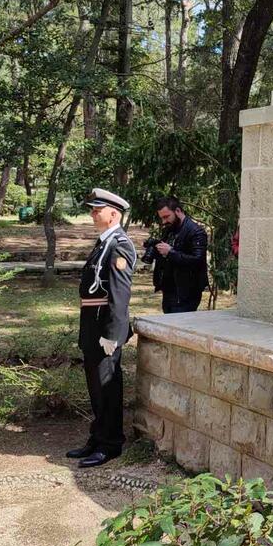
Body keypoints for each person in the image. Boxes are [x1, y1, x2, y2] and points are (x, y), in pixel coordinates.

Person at [67, 187, 137, 468]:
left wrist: (112, 336)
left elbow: (119, 295)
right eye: (93, 210)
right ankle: (97, 437)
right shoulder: (103, 242)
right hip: (92, 326)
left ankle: (110, 444)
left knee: (107, 388)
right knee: (96, 387)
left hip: (105, 329)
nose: (93, 214)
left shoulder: (119, 245)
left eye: (98, 210)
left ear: (114, 214)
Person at [142, 196, 209, 313]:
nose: (164, 222)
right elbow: (167, 256)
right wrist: (156, 249)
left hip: (186, 292)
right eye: (162, 218)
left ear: (178, 211)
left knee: (179, 322)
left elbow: (197, 260)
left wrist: (170, 252)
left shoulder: (196, 231)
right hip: (169, 290)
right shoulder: (170, 229)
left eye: (166, 217)